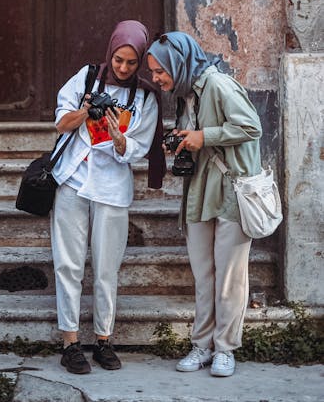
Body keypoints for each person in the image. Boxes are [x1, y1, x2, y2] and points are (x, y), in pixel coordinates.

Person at [147, 32, 262, 378]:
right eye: (153, 72)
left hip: (229, 193)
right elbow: (197, 137)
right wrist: (182, 140)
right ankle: (201, 346)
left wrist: (203, 136)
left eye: (159, 71)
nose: (156, 79)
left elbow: (250, 126)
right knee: (204, 276)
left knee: (229, 278)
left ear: (179, 64)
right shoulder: (185, 95)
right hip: (198, 194)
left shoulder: (218, 85)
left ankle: (226, 349)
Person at [51, 20, 162, 375]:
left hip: (112, 188)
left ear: (141, 60)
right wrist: (88, 110)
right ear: (111, 52)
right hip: (73, 180)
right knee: (68, 263)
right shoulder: (86, 78)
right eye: (119, 60)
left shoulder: (144, 97)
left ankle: (103, 339)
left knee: (106, 268)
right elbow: (61, 123)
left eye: (131, 62)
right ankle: (69, 342)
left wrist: (118, 138)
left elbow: (139, 147)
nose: (124, 68)